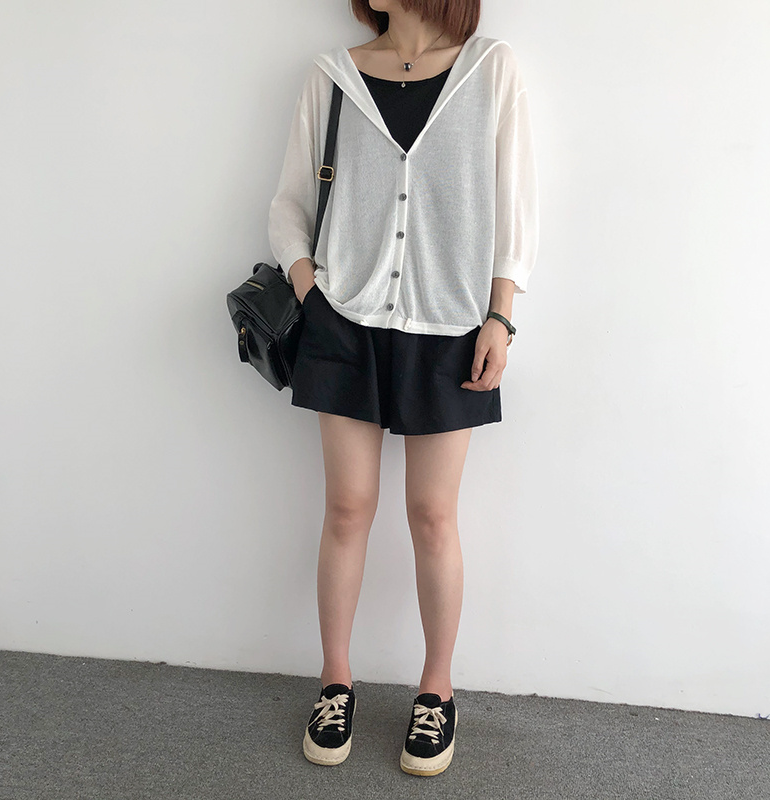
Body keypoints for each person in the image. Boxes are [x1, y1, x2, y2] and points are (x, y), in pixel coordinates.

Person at [266, 0, 538, 777]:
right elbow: (288, 205)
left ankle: (436, 690)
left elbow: (515, 207)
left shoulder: (491, 69)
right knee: (347, 509)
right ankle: (335, 681)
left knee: (433, 516)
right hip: (344, 319)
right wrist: (312, 292)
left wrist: (501, 316)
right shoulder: (332, 76)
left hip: (452, 321)